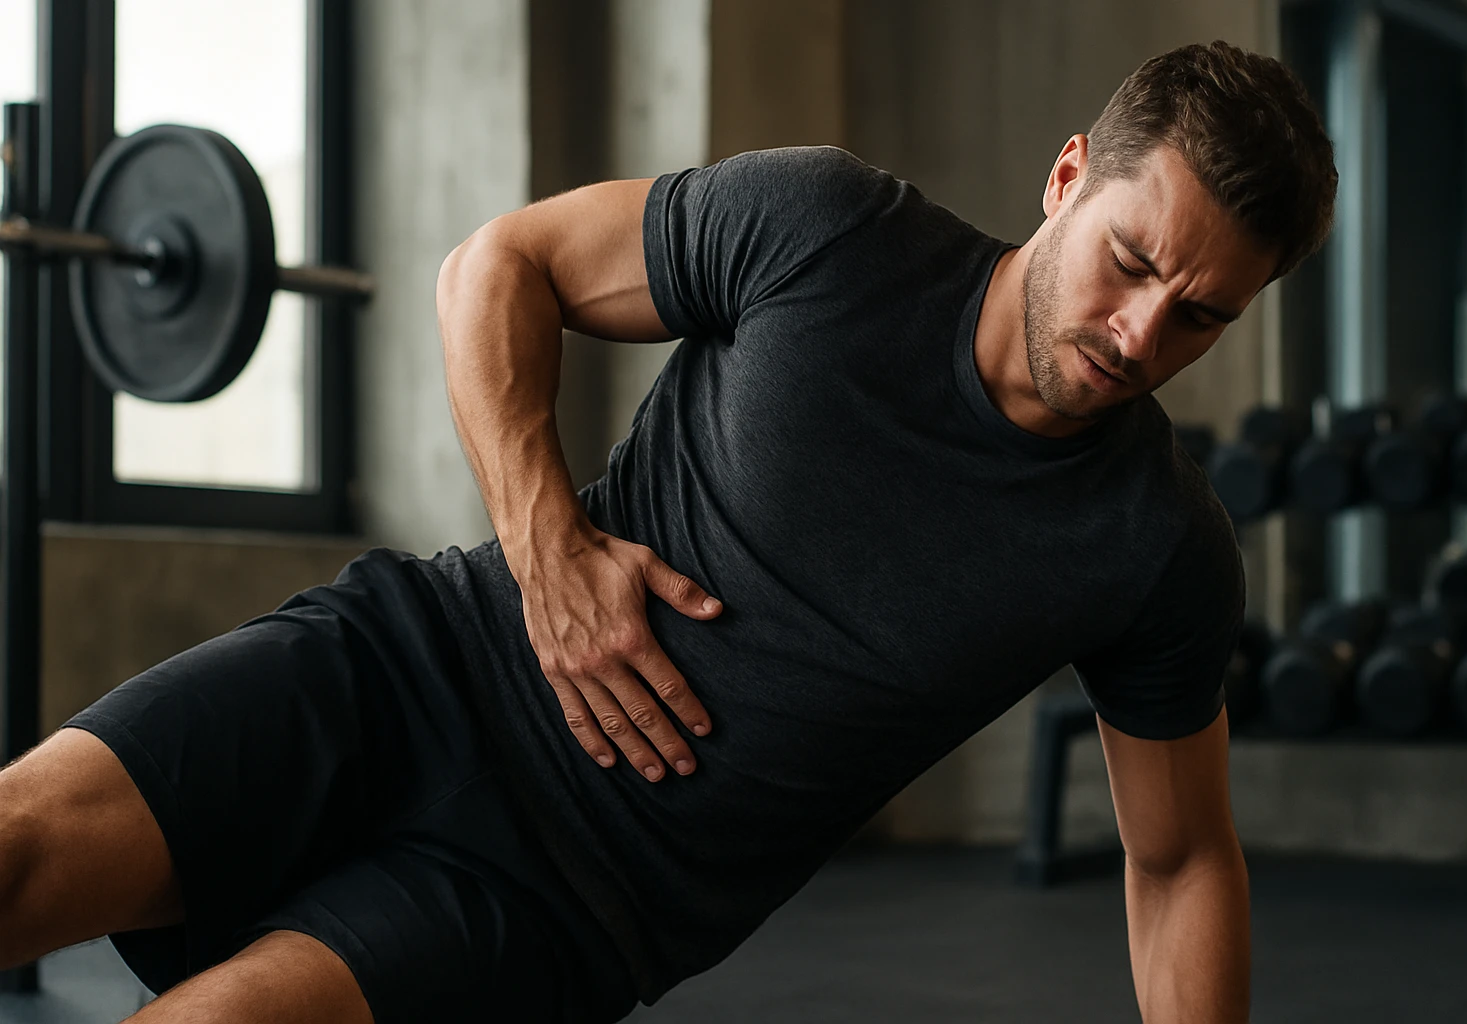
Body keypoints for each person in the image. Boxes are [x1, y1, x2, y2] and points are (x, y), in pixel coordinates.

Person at [0, 39, 1335, 1024]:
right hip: (423, 666)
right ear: (1066, 180)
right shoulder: (828, 230)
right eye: (1133, 263)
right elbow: (498, 266)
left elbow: (1178, 862)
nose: (1140, 336)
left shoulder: (1155, 547)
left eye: (1202, 315)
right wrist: (548, 552)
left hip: (565, 899)